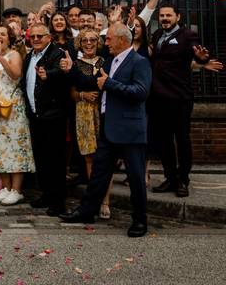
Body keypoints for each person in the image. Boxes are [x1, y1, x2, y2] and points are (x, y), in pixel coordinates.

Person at [60, 23, 152, 238]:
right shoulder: (111, 61)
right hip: (109, 128)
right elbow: (91, 82)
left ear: (122, 39)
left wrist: (109, 84)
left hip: (130, 129)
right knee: (99, 174)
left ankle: (140, 220)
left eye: (109, 39)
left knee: (136, 177)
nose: (105, 43)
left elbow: (141, 92)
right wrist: (71, 69)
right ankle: (86, 211)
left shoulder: (140, 62)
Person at [149, 4, 211, 198]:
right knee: (163, 141)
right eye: (162, 15)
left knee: (182, 139)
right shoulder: (158, 35)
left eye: (169, 15)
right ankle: (170, 178)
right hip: (158, 97)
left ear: (177, 16)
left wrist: (201, 59)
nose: (165, 18)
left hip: (179, 97)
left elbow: (198, 54)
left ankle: (183, 179)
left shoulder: (187, 35)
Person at [0, 23, 32, 205]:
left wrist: (1, 57)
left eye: (2, 34)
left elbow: (15, 74)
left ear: (9, 38)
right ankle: (6, 188)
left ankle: (17, 190)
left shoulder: (14, 54)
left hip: (12, 107)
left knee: (14, 147)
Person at [20, 23, 68, 216]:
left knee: (55, 159)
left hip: (53, 114)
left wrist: (49, 75)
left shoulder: (58, 53)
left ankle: (59, 201)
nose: (37, 39)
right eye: (33, 37)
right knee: (41, 158)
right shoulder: (29, 56)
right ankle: (47, 194)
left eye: (41, 36)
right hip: (35, 114)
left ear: (49, 37)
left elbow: (62, 73)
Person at [69, 27, 108, 216]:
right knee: (89, 157)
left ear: (98, 42)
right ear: (80, 43)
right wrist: (83, 94)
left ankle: (105, 201)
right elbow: (71, 92)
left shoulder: (105, 62)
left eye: (93, 40)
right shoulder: (74, 65)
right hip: (83, 112)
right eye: (85, 41)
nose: (89, 43)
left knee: (104, 157)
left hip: (103, 112)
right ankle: (94, 200)